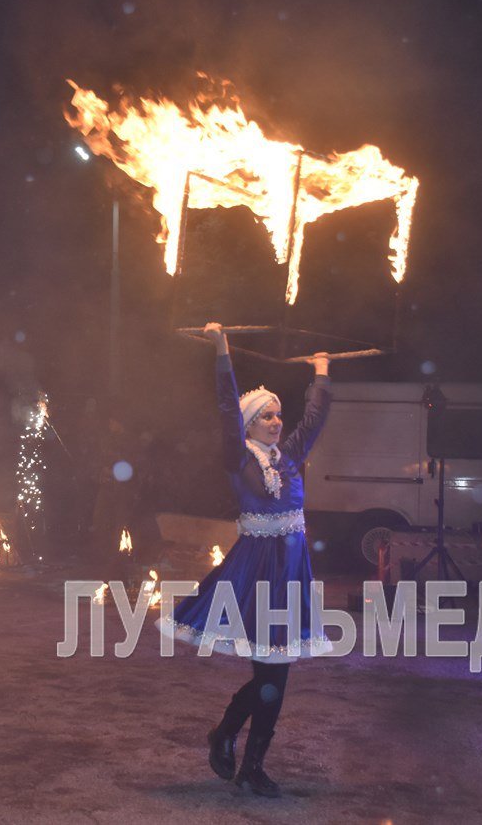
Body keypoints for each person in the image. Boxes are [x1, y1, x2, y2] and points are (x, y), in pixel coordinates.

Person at [158, 322, 332, 798]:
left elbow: (314, 419)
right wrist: (222, 349)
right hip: (256, 569)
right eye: (267, 417)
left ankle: (243, 753)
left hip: (292, 569)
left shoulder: (290, 455)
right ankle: (234, 744)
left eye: (279, 415)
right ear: (250, 423)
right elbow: (224, 408)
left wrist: (321, 370)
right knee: (270, 671)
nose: (277, 423)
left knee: (278, 671)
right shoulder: (238, 456)